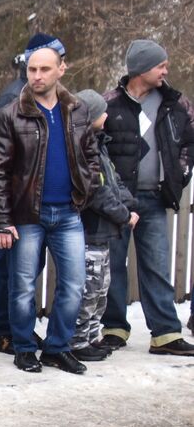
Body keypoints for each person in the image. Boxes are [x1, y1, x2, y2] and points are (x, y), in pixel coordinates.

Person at [0, 39, 98, 374]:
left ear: (61, 69)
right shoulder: (11, 114)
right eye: (32, 69)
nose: (36, 75)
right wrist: (3, 220)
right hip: (27, 216)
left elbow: (91, 157)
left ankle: (57, 347)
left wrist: (84, 191)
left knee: (74, 283)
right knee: (22, 287)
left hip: (67, 214)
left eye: (44, 69)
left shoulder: (77, 110)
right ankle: (23, 348)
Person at [100, 40, 194, 355]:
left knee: (156, 264)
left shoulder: (176, 103)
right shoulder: (109, 103)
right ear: (141, 69)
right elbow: (94, 147)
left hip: (154, 198)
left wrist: (181, 172)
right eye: (160, 65)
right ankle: (113, 328)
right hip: (117, 202)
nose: (166, 71)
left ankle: (166, 334)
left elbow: (189, 141)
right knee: (113, 264)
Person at [0, 35, 61, 355]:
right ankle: (2, 330)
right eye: (36, 66)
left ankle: (17, 329)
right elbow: (0, 156)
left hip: (40, 201)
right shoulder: (13, 100)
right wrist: (7, 208)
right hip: (18, 202)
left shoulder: (49, 99)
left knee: (27, 269)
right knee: (11, 269)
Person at [70, 89, 140, 361]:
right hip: (91, 231)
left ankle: (91, 334)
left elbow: (115, 182)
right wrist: (123, 214)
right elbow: (98, 193)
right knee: (89, 288)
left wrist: (130, 204)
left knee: (101, 288)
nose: (107, 115)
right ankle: (77, 340)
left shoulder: (101, 146)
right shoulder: (85, 151)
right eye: (101, 113)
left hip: (104, 234)